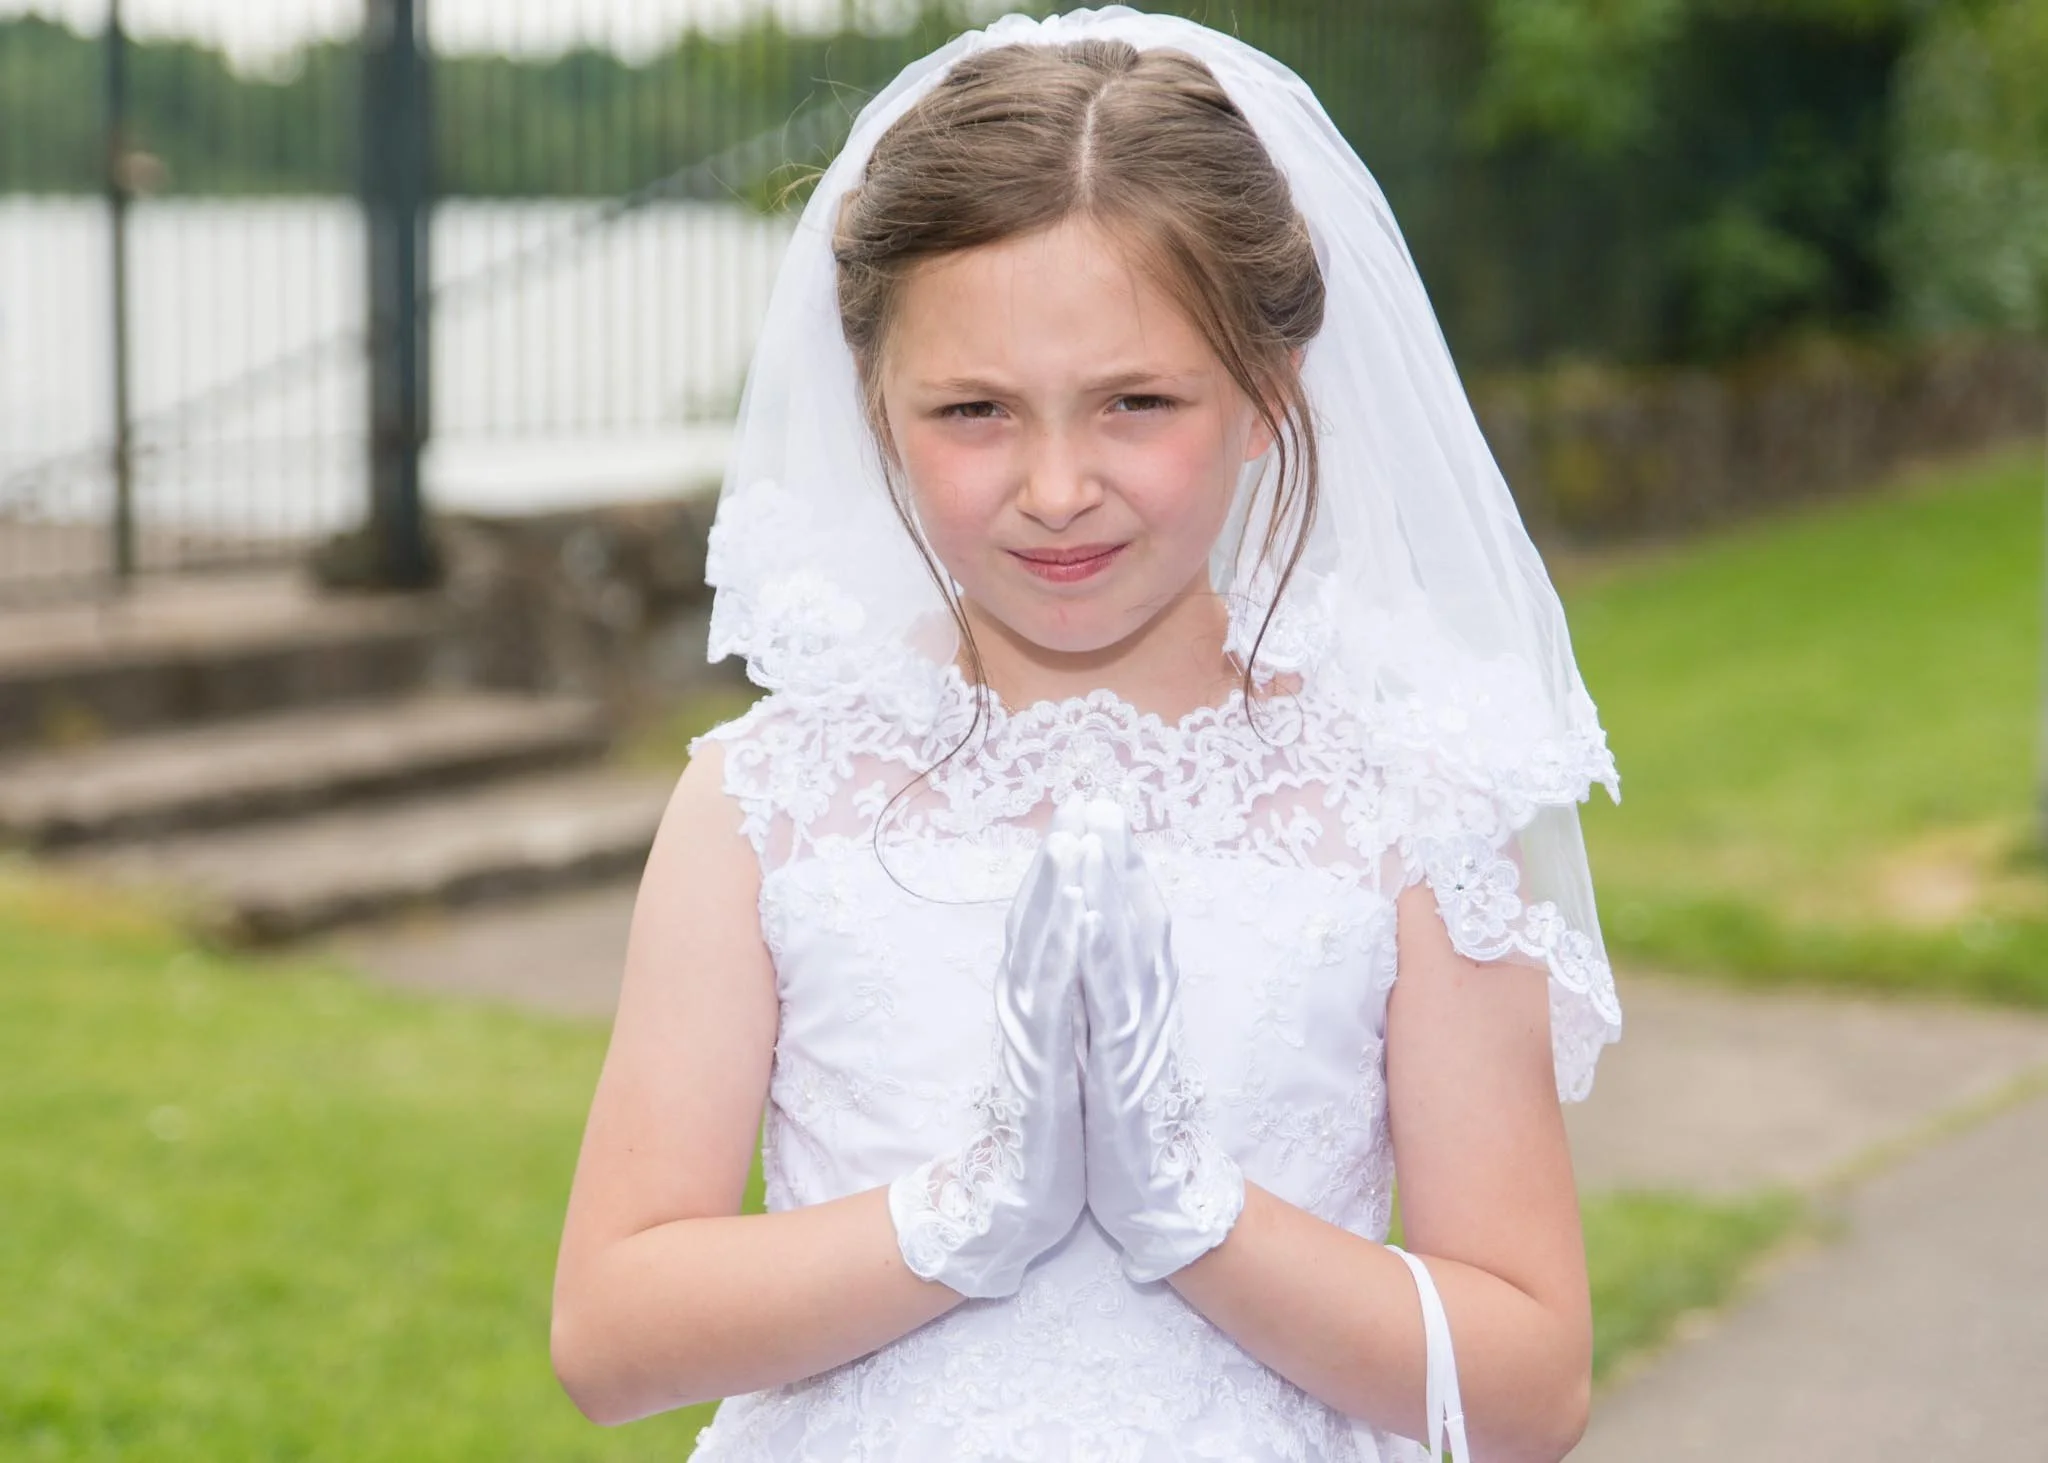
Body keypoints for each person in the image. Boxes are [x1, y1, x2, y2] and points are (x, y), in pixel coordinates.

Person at [550, 8, 1623, 1460]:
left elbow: (1531, 1388)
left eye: (1136, 402)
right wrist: (966, 1209)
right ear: (878, 407)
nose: (1058, 485)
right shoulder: (767, 802)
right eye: (976, 409)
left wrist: (1193, 1212)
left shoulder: (1409, 808)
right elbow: (612, 1337)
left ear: (1265, 393)